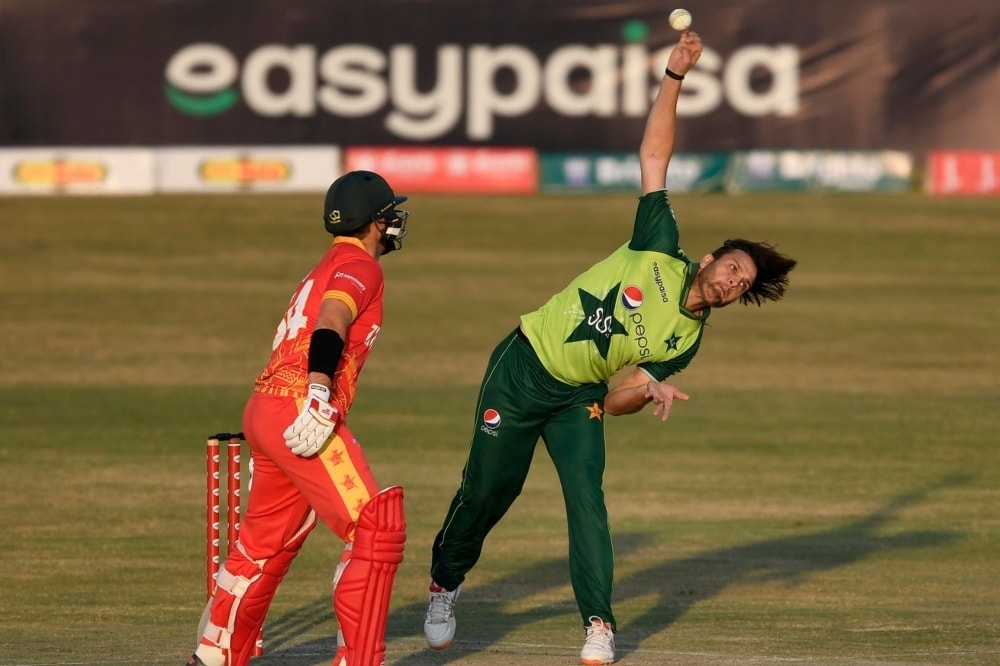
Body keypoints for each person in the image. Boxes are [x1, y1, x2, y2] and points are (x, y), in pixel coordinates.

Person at [422, 30, 796, 666]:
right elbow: (656, 154)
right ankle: (443, 585)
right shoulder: (658, 242)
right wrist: (674, 77)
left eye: (743, 284)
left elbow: (619, 402)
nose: (733, 281)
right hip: (523, 366)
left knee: (588, 503)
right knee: (488, 494)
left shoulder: (685, 342)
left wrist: (645, 388)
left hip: (579, 401)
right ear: (709, 258)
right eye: (732, 266)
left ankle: (599, 623)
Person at [187, 171, 410, 666]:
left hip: (264, 409)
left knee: (261, 548)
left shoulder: (325, 262)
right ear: (374, 222)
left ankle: (215, 654)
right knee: (376, 527)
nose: (395, 221)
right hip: (298, 408)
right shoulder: (361, 266)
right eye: (389, 213)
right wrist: (318, 391)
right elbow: (332, 322)